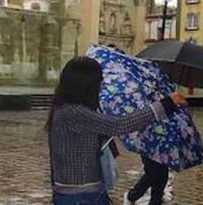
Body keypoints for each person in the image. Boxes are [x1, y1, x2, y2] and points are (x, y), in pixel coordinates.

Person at [48, 57, 187, 205]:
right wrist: (166, 104)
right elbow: (119, 125)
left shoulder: (67, 110)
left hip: (80, 193)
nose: (100, 86)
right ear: (86, 84)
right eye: (98, 81)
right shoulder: (74, 113)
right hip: (81, 196)